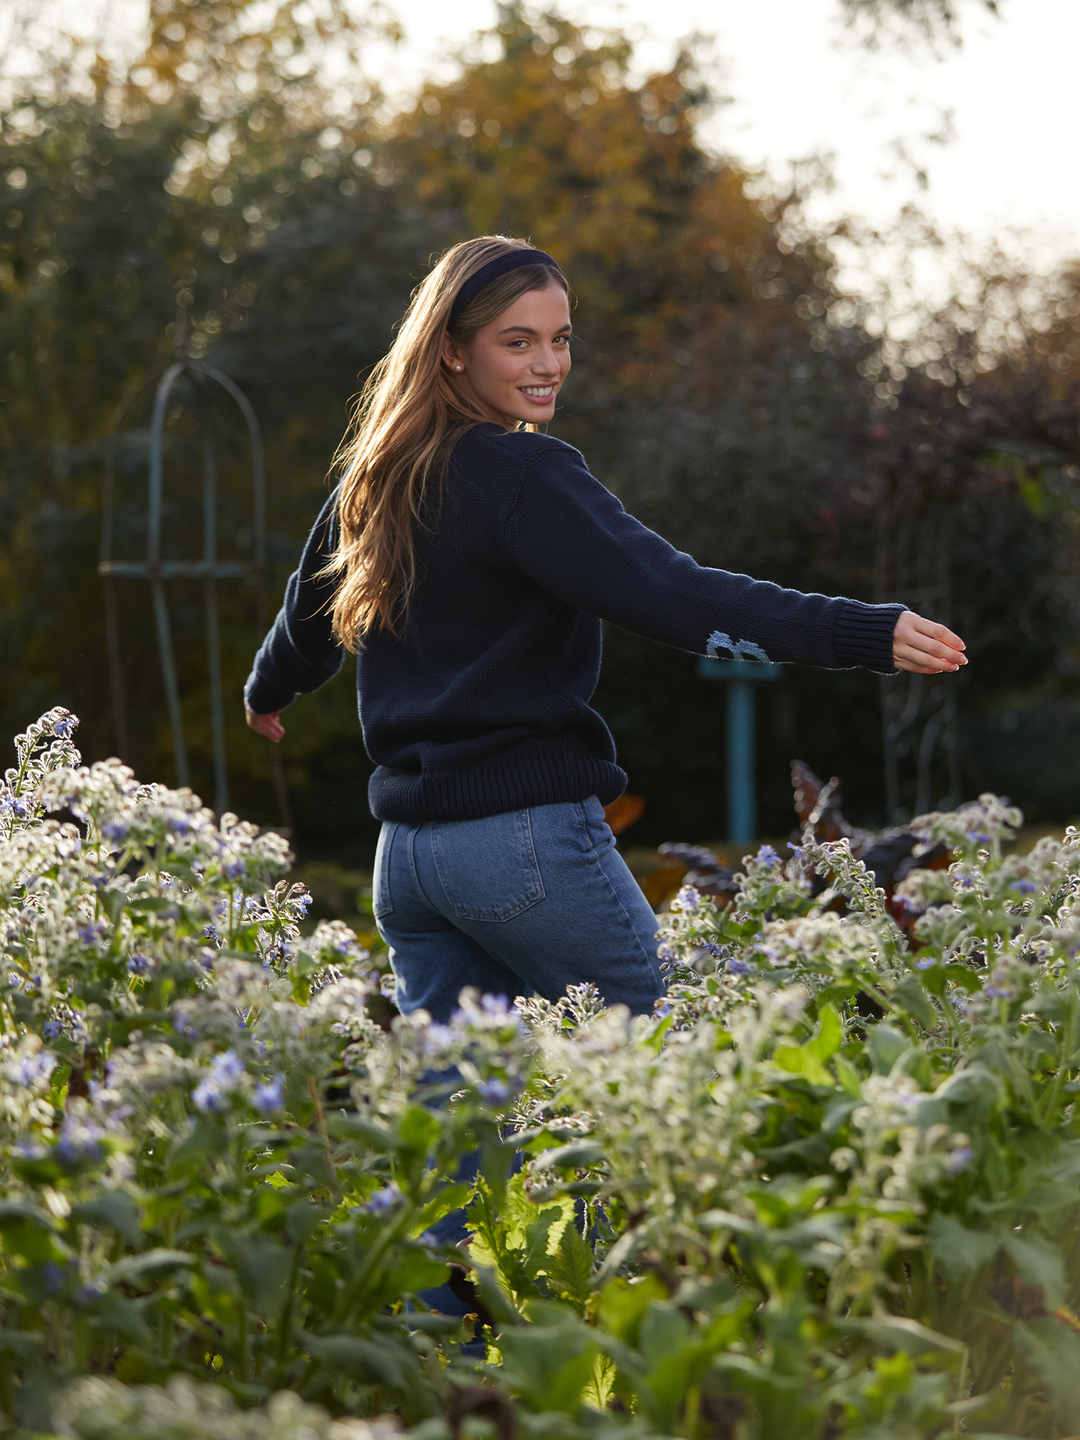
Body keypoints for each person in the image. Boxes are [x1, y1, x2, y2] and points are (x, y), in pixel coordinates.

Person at [244, 234, 967, 1024]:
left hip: (410, 860)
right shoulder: (527, 475)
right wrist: (860, 630)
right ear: (451, 350)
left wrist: (268, 689)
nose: (548, 364)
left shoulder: (377, 476)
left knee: (464, 1123)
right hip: (521, 847)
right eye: (516, 342)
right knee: (673, 1054)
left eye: (559, 340)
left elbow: (307, 611)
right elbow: (676, 595)